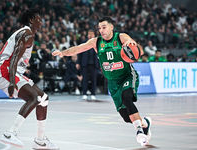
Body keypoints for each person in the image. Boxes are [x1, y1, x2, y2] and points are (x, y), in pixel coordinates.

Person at [52, 16, 152, 146]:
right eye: (99, 28)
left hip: (127, 75)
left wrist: (131, 43)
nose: (101, 30)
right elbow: (79, 48)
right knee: (126, 117)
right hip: (112, 81)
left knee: (126, 98)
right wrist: (63, 53)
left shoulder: (120, 37)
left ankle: (139, 132)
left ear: (111, 27)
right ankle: (145, 123)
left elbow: (138, 49)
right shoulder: (96, 42)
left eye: (104, 27)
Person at [0, 8, 59, 149]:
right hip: (5, 70)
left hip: (12, 70)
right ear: (31, 20)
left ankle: (40, 140)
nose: (41, 22)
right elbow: (13, 60)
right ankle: (10, 133)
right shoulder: (27, 34)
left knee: (43, 98)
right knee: (34, 98)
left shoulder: (24, 33)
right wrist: (12, 82)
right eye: (38, 19)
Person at [76, 29, 100, 100]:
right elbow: (79, 53)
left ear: (94, 35)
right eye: (89, 34)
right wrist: (78, 62)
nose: (90, 35)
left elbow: (100, 54)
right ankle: (84, 93)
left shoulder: (97, 43)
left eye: (92, 34)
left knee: (93, 80)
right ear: (87, 35)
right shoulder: (84, 42)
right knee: (85, 79)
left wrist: (101, 64)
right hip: (85, 64)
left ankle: (93, 94)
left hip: (94, 64)